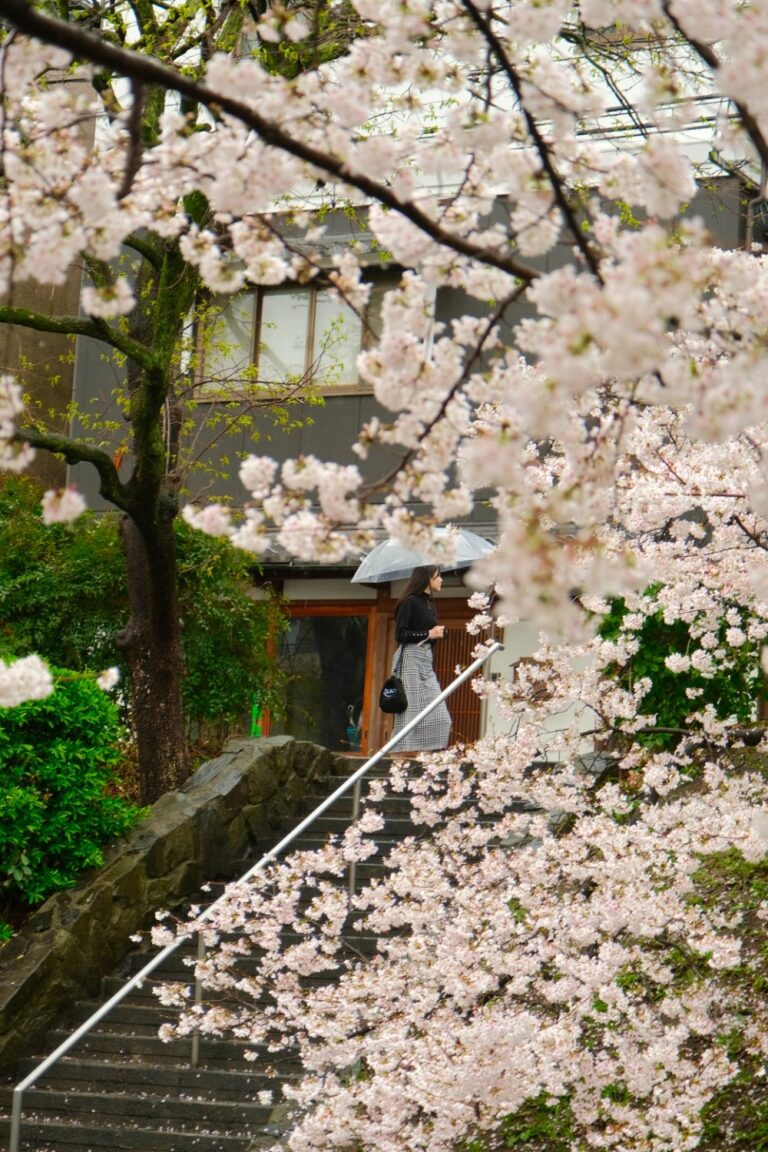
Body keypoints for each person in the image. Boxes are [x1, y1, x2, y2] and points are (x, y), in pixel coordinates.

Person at [389, 565, 452, 753]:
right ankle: (399, 758)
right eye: (438, 576)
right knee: (411, 710)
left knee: (440, 716)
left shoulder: (429, 604)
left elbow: (427, 636)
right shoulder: (409, 602)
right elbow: (400, 635)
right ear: (428, 580)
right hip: (410, 657)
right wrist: (428, 633)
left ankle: (423, 757)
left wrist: (436, 634)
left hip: (425, 659)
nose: (442, 580)